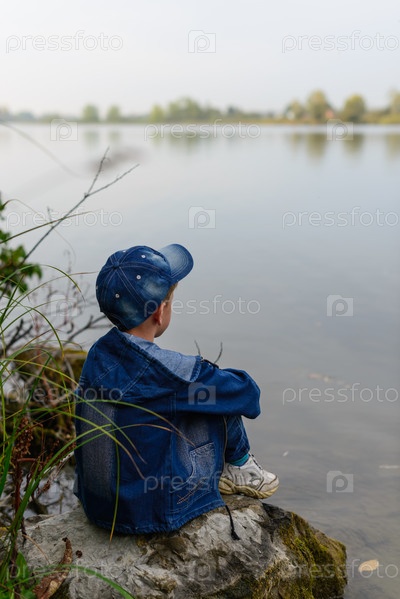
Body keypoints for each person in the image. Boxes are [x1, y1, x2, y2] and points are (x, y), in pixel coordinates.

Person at [74, 243, 279, 535]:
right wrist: (212, 374)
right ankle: (240, 465)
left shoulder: (98, 353)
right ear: (160, 312)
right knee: (216, 398)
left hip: (99, 504)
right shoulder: (170, 373)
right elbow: (247, 395)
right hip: (147, 512)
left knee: (185, 399)